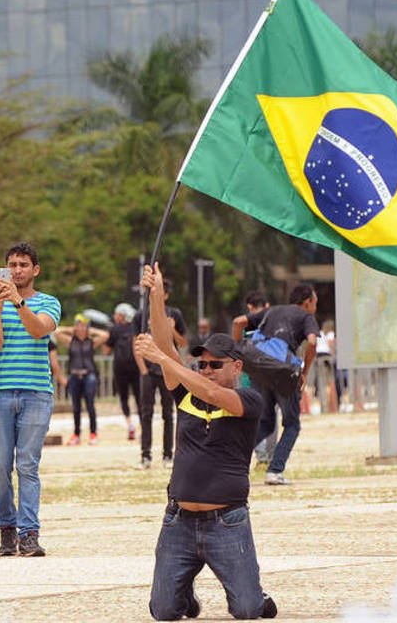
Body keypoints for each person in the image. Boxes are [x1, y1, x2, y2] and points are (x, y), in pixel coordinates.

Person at [134, 263, 277, 621]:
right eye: (202, 364)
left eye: (215, 364)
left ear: (237, 367)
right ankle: (184, 591)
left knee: (247, 610)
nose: (207, 370)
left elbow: (211, 392)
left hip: (227, 522)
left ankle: (255, 592)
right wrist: (157, 295)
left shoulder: (250, 400)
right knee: (163, 611)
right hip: (179, 521)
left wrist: (166, 361)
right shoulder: (186, 394)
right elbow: (165, 343)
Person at [0, 241, 61, 557]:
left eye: (23, 265)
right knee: (0, 466)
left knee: (27, 464)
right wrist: (0, 306)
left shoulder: (49, 302)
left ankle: (29, 533)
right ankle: (6, 529)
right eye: (12, 265)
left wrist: (18, 303)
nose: (17, 271)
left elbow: (40, 330)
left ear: (35, 270)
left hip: (36, 393)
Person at [252, 283, 319, 486]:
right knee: (292, 424)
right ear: (307, 302)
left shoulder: (272, 311)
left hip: (260, 367)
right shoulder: (305, 316)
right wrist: (305, 371)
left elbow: (239, 322)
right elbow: (313, 342)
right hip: (282, 371)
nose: (315, 306)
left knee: (264, 422)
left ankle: (229, 464)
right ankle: (275, 470)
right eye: (315, 302)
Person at [133, 277, 187, 469]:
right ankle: (145, 455)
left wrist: (172, 330)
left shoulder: (175, 314)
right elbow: (136, 343)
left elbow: (183, 343)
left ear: (165, 294)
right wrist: (143, 370)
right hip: (148, 370)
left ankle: (168, 455)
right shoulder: (140, 315)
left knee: (168, 413)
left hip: (167, 370)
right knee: (146, 413)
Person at [232, 292, 277, 465]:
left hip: (249, 378)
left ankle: (260, 454)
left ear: (250, 307)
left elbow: (236, 346)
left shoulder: (243, 324)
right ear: (266, 305)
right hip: (273, 376)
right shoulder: (275, 323)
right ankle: (269, 455)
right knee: (271, 415)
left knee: (253, 415)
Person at [54, 314, 109, 445]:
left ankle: (93, 433)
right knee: (76, 407)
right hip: (74, 375)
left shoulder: (92, 342)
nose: (80, 328)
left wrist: (89, 331)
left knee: (90, 405)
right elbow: (56, 331)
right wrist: (72, 329)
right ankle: (76, 434)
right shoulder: (70, 341)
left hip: (89, 375)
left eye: (83, 325)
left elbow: (105, 335)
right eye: (78, 325)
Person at [105, 302, 139, 441]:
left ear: (122, 315)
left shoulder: (114, 329)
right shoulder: (136, 328)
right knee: (139, 398)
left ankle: (130, 425)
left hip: (120, 368)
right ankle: (143, 427)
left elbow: (106, 351)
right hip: (136, 367)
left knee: (123, 397)